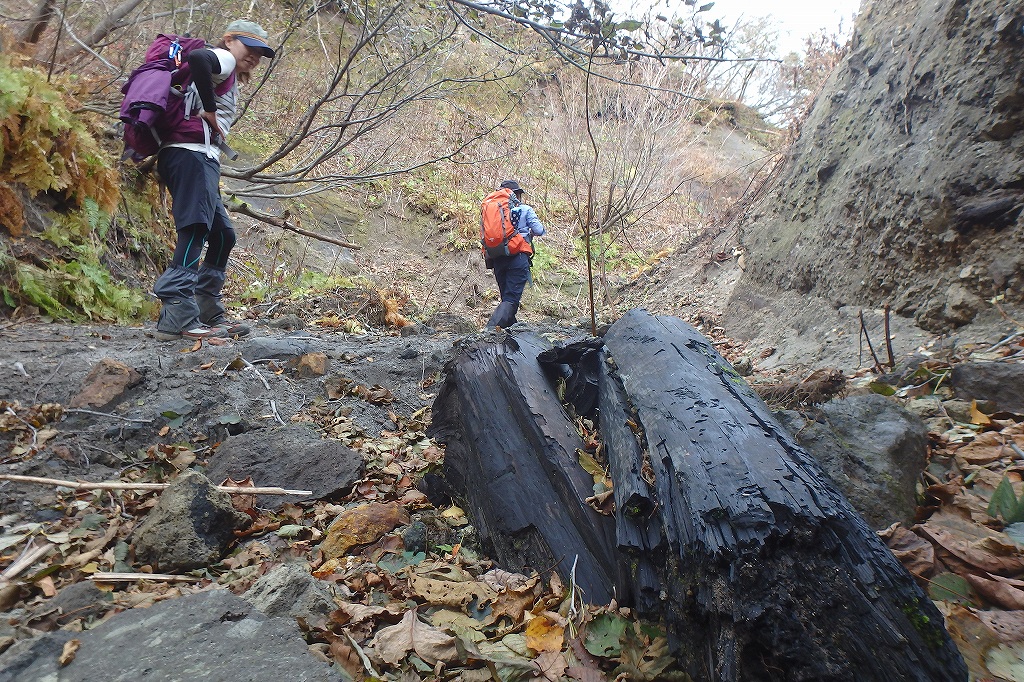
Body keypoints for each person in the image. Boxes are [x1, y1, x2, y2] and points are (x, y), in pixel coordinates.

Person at [152, 20, 275, 341]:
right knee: (196, 227)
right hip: (191, 154)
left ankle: (207, 307)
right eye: (250, 47)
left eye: (261, 52)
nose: (255, 56)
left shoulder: (229, 68)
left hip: (197, 156)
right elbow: (198, 60)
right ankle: (178, 312)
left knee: (222, 235)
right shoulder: (224, 58)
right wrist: (208, 109)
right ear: (230, 40)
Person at [486, 180, 545, 329]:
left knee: (506, 299)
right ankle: (490, 330)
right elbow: (539, 230)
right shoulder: (525, 209)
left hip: (498, 257)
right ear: (516, 194)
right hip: (518, 257)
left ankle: (511, 334)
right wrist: (528, 233)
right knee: (511, 300)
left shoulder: (493, 208)